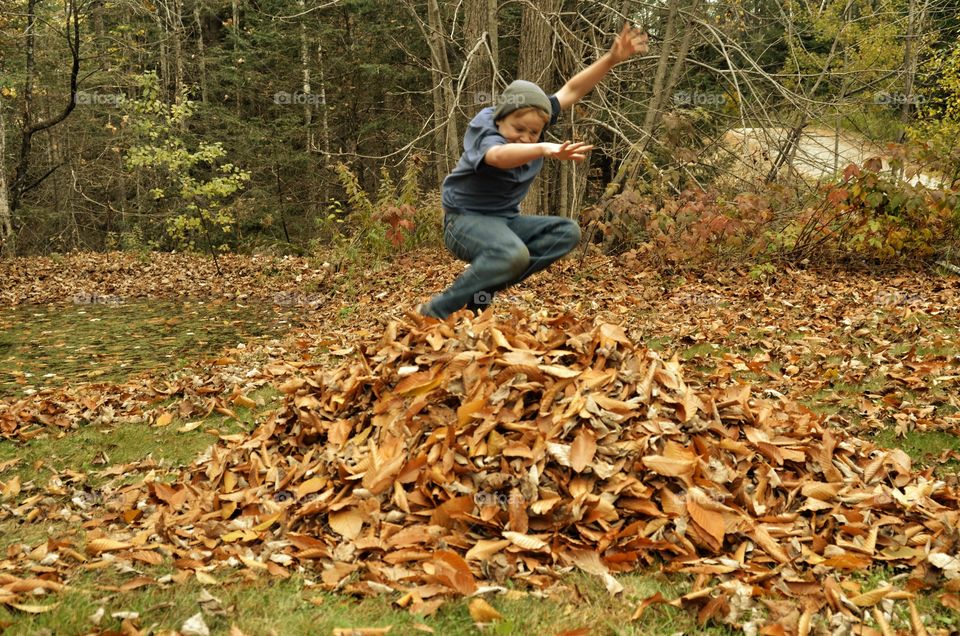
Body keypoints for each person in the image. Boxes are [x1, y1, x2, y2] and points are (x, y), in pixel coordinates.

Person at [418, 24, 649, 320]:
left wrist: (611, 58)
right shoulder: (485, 127)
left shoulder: (533, 114)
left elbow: (572, 90)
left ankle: (480, 294)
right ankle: (435, 311)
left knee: (565, 232)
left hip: (504, 222)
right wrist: (544, 148)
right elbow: (499, 156)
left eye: (534, 132)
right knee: (513, 254)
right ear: (501, 119)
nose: (526, 137)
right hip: (463, 222)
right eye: (518, 129)